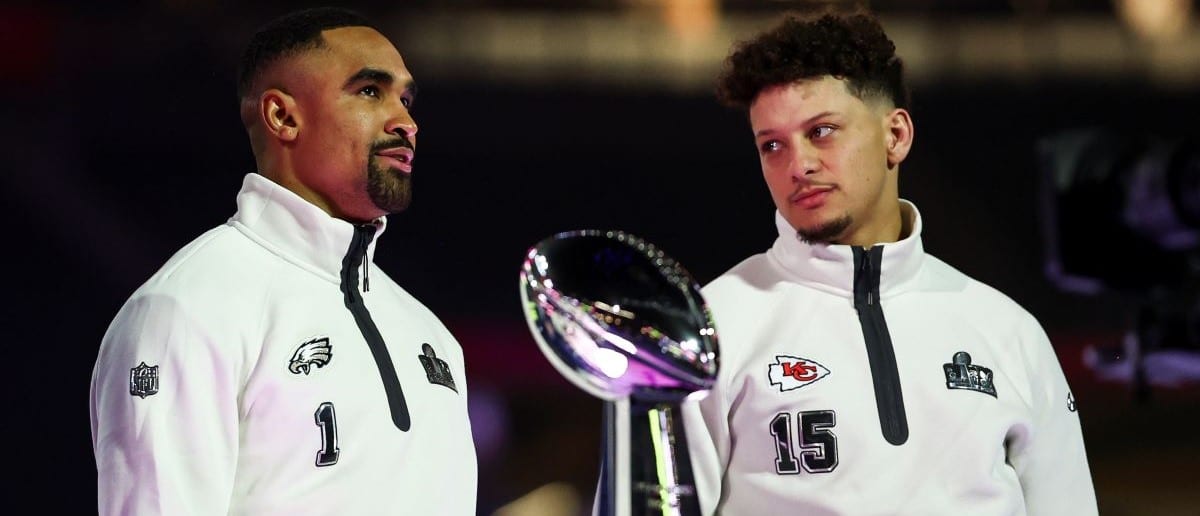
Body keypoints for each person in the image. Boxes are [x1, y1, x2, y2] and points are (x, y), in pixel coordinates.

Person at [680, 9, 1098, 515]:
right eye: (772, 145)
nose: (799, 165)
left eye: (822, 131)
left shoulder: (1008, 332)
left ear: (895, 136)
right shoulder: (708, 327)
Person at [89, 7, 476, 514]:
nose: (405, 122)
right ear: (282, 116)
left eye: (404, 99)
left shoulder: (431, 335)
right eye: (369, 91)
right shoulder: (186, 309)